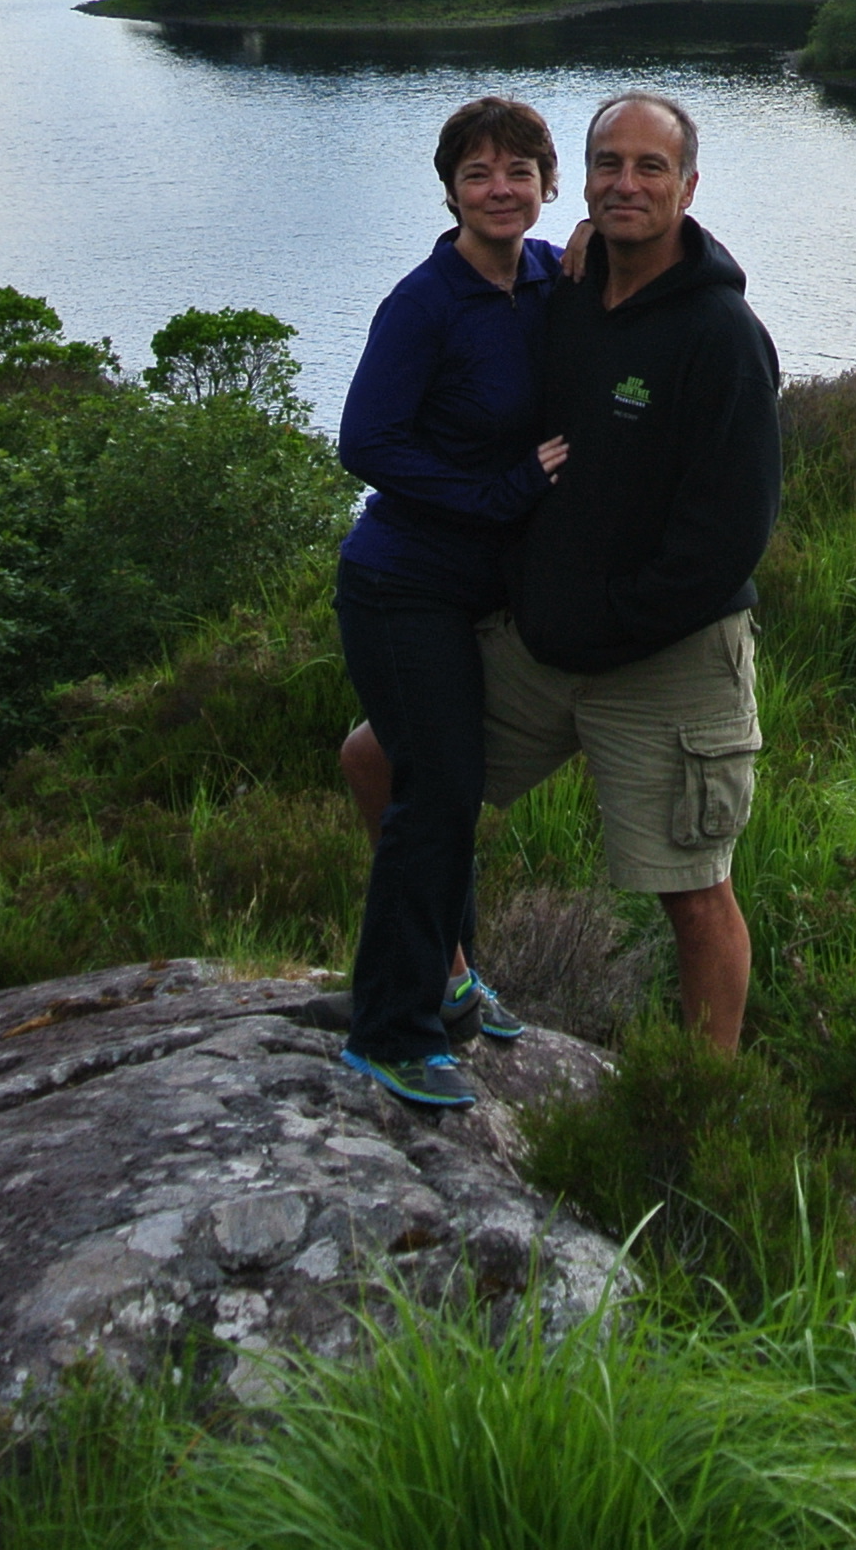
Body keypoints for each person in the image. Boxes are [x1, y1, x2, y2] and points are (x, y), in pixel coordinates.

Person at [480, 88, 782, 1053]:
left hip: (669, 658)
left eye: (652, 167)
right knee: (384, 761)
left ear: (688, 188)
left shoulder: (723, 337)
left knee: (695, 896)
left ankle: (702, 1104)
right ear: (581, 181)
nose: (627, 183)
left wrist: (617, 618)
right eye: (608, 164)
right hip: (544, 642)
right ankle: (437, 984)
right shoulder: (564, 289)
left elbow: (728, 536)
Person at [327, 95, 573, 1114]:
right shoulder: (424, 303)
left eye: (518, 171)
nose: (499, 189)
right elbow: (365, 443)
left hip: (486, 588)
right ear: (450, 192)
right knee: (437, 790)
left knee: (444, 780)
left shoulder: (552, 276)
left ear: (547, 184)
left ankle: (453, 977)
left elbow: (659, 263)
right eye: (478, 174)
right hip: (404, 583)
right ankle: (390, 1031)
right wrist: (497, 493)